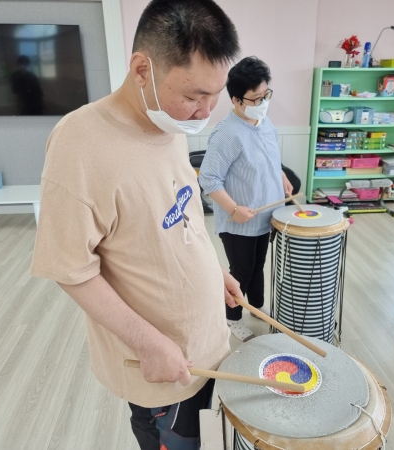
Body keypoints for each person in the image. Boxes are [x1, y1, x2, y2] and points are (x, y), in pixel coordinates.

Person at [29, 1, 242, 449]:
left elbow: (179, 215)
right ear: (142, 69)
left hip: (210, 344)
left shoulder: (171, 124)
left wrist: (214, 272)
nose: (205, 112)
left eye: (215, 95)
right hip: (164, 366)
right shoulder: (79, 145)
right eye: (193, 96)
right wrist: (147, 343)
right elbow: (70, 269)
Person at [199, 56, 292, 342]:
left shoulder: (264, 122)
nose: (264, 102)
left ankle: (256, 306)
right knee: (241, 271)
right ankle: (232, 318)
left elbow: (269, 157)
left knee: (258, 265)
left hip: (265, 216)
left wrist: (281, 176)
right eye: (256, 98)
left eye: (266, 95)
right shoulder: (227, 133)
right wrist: (234, 209)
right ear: (237, 100)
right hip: (238, 222)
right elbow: (208, 180)